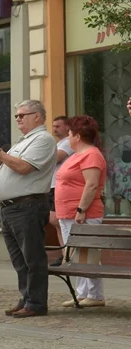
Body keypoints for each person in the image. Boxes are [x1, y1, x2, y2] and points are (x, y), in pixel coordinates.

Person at [0, 99, 57, 318]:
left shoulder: (43, 140)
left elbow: (24, 167)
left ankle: (36, 303)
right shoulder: (22, 141)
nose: (18, 118)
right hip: (10, 208)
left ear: (37, 116)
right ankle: (26, 298)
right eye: (16, 115)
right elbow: (6, 167)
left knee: (32, 257)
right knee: (19, 260)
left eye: (22, 115)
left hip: (27, 205)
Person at [55, 115, 107, 308]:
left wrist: (81, 209)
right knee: (77, 255)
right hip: (67, 212)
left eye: (69, 134)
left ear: (77, 136)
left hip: (84, 213)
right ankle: (81, 294)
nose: (68, 138)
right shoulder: (75, 156)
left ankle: (94, 295)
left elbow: (92, 184)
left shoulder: (91, 154)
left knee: (88, 253)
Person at [48, 116, 74, 266]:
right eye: (54, 126)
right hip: (52, 186)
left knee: (60, 221)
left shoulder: (68, 143)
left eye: (58, 126)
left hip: (61, 186)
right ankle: (63, 253)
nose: (55, 129)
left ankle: (67, 255)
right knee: (54, 220)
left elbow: (56, 158)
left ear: (67, 127)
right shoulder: (58, 143)